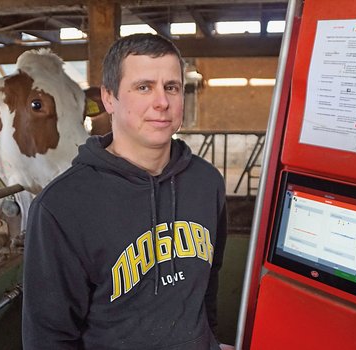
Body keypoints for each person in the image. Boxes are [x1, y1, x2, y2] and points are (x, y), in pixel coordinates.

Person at [22, 33, 229, 349]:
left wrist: (209, 340)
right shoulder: (61, 207)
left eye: (171, 87)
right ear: (108, 98)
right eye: (144, 87)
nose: (161, 102)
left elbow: (207, 284)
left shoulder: (207, 182)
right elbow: (50, 337)